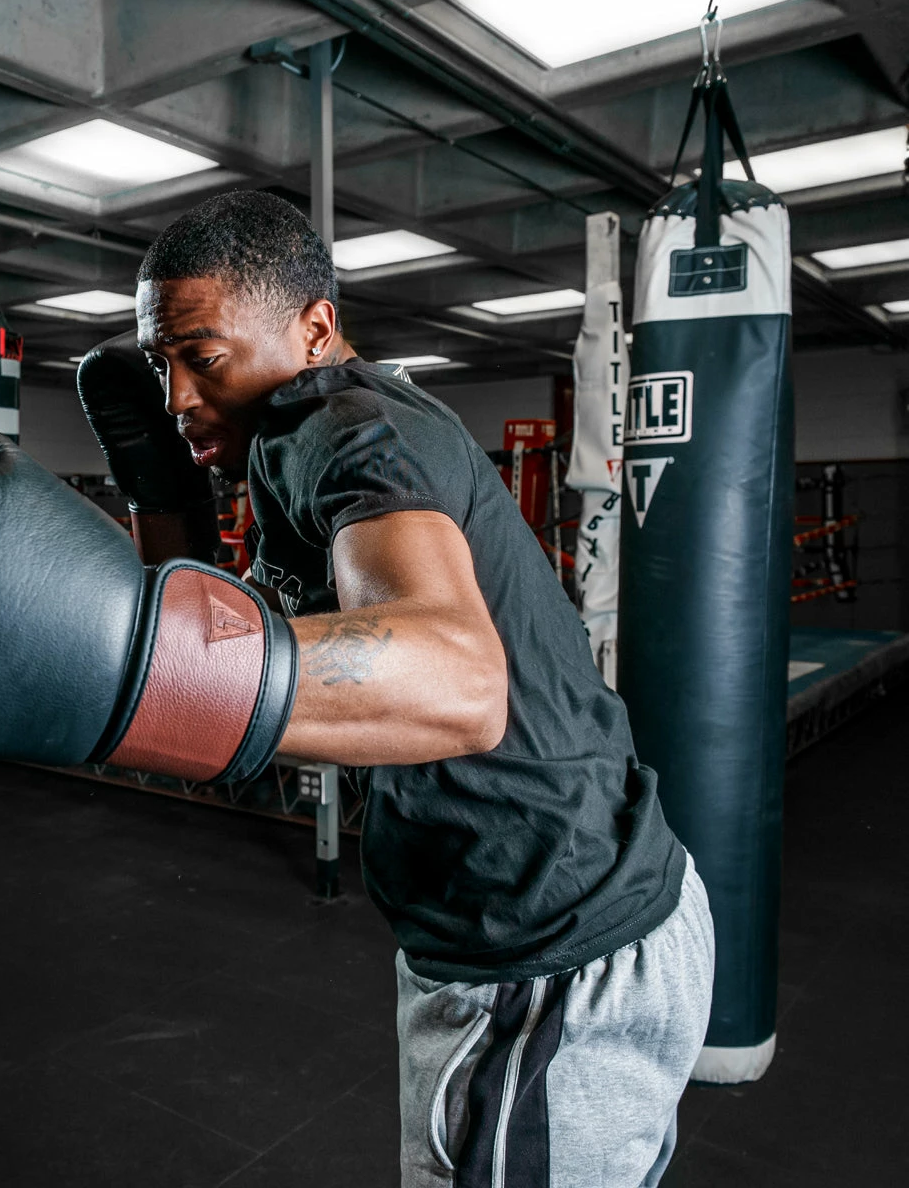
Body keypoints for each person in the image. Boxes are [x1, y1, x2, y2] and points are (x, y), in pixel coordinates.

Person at [78, 190, 716, 1188]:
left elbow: (458, 680)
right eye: (161, 364)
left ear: (315, 327)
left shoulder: (348, 432)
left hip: (552, 960)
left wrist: (138, 677)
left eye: (200, 356)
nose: (176, 399)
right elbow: (234, 637)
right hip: (576, 904)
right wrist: (165, 502)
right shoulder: (297, 446)